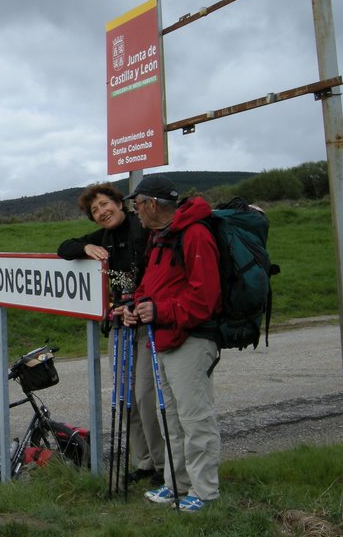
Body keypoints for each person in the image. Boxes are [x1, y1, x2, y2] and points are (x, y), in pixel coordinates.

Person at [119, 174, 222, 513]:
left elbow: (204, 297)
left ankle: (205, 493)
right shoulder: (161, 238)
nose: (136, 212)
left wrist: (159, 309)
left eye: (137, 205)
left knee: (195, 419)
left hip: (192, 340)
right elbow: (152, 284)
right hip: (163, 337)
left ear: (150, 204)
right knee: (171, 419)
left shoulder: (195, 234)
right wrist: (135, 305)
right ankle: (177, 485)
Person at [58, 182, 165, 487]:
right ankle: (142, 462)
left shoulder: (142, 228)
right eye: (95, 210)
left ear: (120, 203)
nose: (102, 212)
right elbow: (63, 247)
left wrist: (137, 303)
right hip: (119, 325)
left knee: (145, 397)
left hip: (147, 322)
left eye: (105, 204)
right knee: (125, 396)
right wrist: (84, 247)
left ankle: (161, 463)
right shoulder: (103, 237)